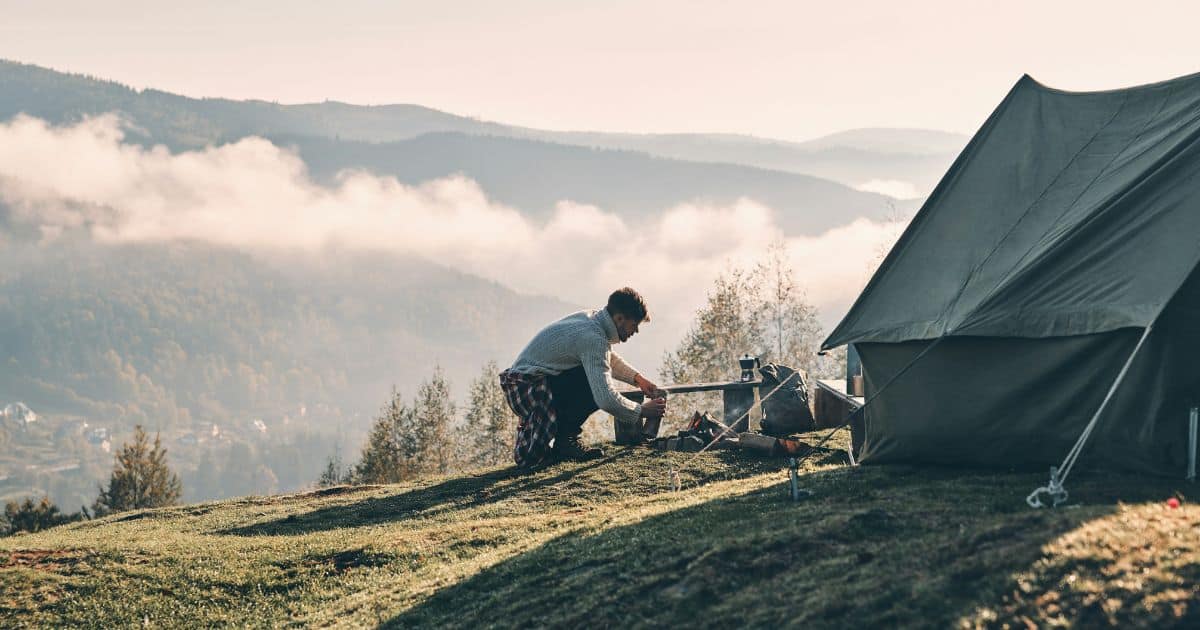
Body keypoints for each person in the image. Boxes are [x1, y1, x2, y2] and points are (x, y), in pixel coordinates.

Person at [500, 287, 667, 466]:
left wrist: (637, 379)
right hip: (528, 389)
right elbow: (605, 398)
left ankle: (565, 441)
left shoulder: (593, 321)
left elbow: (604, 357)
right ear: (619, 319)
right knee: (594, 382)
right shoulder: (593, 338)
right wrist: (642, 411)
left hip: (522, 384)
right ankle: (566, 441)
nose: (636, 331)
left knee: (591, 374)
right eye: (634, 324)